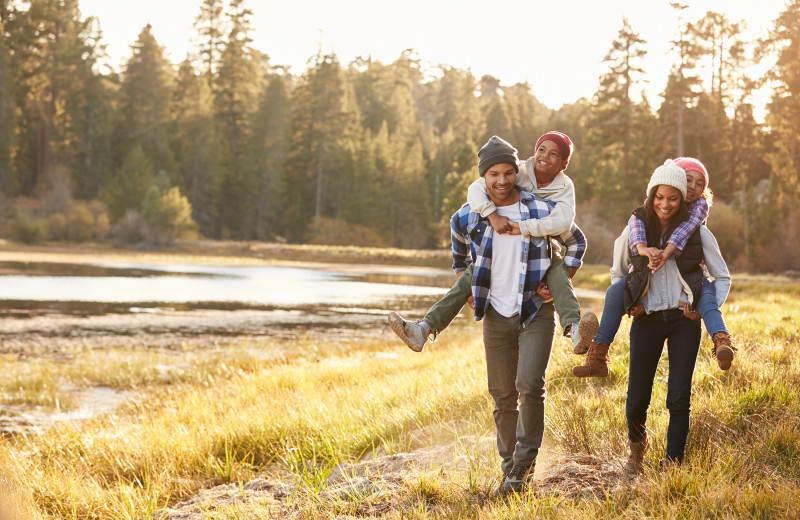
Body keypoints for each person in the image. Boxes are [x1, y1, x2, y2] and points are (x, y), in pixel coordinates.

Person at [442, 136, 586, 494]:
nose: (503, 180)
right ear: (484, 178)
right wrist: (466, 278)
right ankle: (509, 469)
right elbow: (457, 237)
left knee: (529, 386)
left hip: (535, 309)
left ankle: (522, 470)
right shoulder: (472, 212)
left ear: (515, 174)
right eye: (494, 174)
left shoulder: (538, 208)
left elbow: (576, 239)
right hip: (495, 312)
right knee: (502, 395)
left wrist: (561, 277)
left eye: (508, 173)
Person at [388, 131, 597, 355]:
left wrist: (557, 279)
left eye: (554, 153)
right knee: (472, 273)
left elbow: (567, 224)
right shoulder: (518, 172)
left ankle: (575, 329)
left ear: (564, 163)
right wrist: (492, 215)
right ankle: (424, 329)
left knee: (557, 271)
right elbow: (476, 189)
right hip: (499, 249)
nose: (544, 156)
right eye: (541, 150)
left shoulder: (564, 189)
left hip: (544, 249)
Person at [609, 160, 731, 472]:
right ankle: (636, 452)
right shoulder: (636, 230)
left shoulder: (698, 234)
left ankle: (673, 462)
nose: (668, 202)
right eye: (663, 196)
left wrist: (702, 307)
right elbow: (617, 274)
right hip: (646, 320)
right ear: (655, 195)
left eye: (675, 197)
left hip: (683, 322)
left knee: (678, 397)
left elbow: (722, 277)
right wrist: (629, 302)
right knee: (637, 396)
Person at [572, 157, 736, 378]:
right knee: (614, 292)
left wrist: (666, 252)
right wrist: (632, 300)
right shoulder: (640, 219)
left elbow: (688, 236)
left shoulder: (696, 219)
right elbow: (620, 265)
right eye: (688, 181)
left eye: (700, 184)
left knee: (706, 295)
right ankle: (598, 353)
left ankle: (722, 340)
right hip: (646, 299)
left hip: (691, 285)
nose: (694, 188)